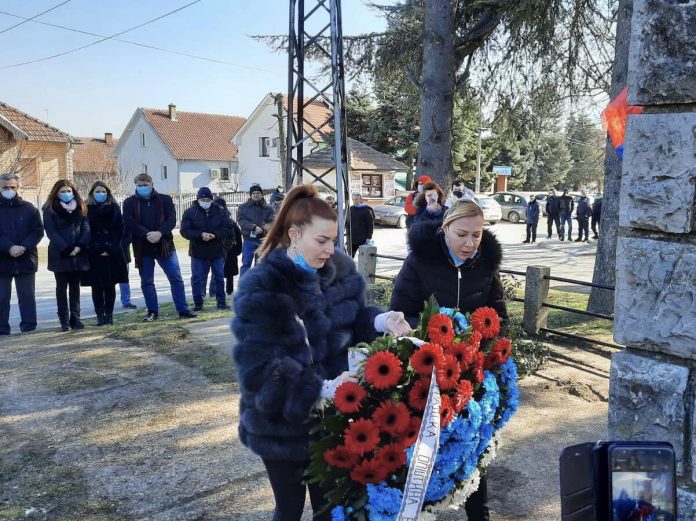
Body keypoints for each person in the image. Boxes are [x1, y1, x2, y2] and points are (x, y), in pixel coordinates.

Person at [231, 184, 411, 521]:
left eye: (333, 240)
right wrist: (323, 389)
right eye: (322, 241)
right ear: (295, 235)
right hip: (280, 423)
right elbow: (260, 369)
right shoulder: (262, 286)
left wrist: (382, 320)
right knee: (289, 509)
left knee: (329, 508)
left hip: (331, 420)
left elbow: (355, 318)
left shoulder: (339, 272)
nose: (331, 250)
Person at [390, 198, 508, 521]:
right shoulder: (420, 260)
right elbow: (400, 312)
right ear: (445, 229)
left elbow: (498, 315)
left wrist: (482, 342)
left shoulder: (486, 264)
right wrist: (430, 335)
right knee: (424, 447)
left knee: (474, 442)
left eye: (476, 235)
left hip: (470, 372)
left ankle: (479, 513)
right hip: (426, 370)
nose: (469, 243)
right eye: (461, 234)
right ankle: (418, 509)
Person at [123, 173, 197, 322]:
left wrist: (160, 233)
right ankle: (152, 311)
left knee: (175, 277)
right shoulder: (129, 202)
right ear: (136, 186)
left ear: (152, 184)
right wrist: (146, 234)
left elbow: (171, 219)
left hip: (164, 245)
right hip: (143, 247)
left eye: (146, 184)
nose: (143, 187)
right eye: (139, 185)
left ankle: (182, 309)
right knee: (147, 281)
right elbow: (129, 222)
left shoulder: (165, 199)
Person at [42, 180, 90, 331]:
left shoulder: (81, 207)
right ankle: (64, 320)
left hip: (78, 254)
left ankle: (76, 318)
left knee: (75, 288)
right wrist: (67, 248)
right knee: (61, 288)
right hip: (60, 254)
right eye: (62, 191)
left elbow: (86, 228)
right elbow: (51, 232)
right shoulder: (50, 209)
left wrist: (80, 246)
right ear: (56, 193)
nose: (66, 193)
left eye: (69, 191)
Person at [0, 172, 44, 335]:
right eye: (5, 187)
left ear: (18, 187)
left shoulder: (29, 208)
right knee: (1, 298)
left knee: (27, 297)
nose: (9, 190)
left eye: (12, 187)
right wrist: (9, 247)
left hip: (26, 259)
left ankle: (29, 328)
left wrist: (24, 247)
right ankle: (2, 330)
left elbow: (37, 231)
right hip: (2, 260)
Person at [180, 187, 234, 311]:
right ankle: (198, 303)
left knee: (219, 277)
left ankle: (221, 302)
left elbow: (228, 228)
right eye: (202, 199)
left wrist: (215, 235)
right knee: (197, 278)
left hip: (216, 250)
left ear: (211, 200)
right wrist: (200, 235)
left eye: (208, 200)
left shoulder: (220, 211)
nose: (205, 202)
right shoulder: (190, 212)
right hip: (198, 250)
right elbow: (185, 231)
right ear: (198, 199)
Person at [83, 181, 128, 326]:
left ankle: (109, 315)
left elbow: (120, 229)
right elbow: (84, 230)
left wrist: (110, 247)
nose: (101, 194)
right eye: (97, 191)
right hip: (94, 253)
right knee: (96, 286)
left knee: (110, 285)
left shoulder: (114, 207)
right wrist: (96, 248)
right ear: (92, 193)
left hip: (112, 253)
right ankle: (99, 315)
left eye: (103, 191)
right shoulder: (86, 208)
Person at [237, 184, 275, 277]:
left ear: (261, 194)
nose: (256, 195)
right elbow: (241, 221)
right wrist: (253, 227)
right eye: (253, 193)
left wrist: (263, 228)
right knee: (246, 264)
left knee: (260, 265)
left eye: (258, 193)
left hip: (263, 240)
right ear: (250, 195)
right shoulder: (243, 207)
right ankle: (244, 284)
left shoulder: (269, 208)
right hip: (249, 240)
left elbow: (273, 222)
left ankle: (257, 284)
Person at [347, 193, 375, 257]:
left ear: (360, 200)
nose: (355, 201)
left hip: (363, 238)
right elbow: (348, 222)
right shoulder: (351, 209)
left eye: (356, 199)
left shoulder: (367, 209)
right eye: (353, 199)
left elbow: (370, 224)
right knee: (350, 256)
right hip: (353, 238)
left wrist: (369, 237)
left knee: (363, 257)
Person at [119, 232, 137, 309]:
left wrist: (118, 245)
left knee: (124, 280)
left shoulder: (125, 223)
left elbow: (130, 236)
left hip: (123, 254)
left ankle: (126, 301)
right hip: (108, 253)